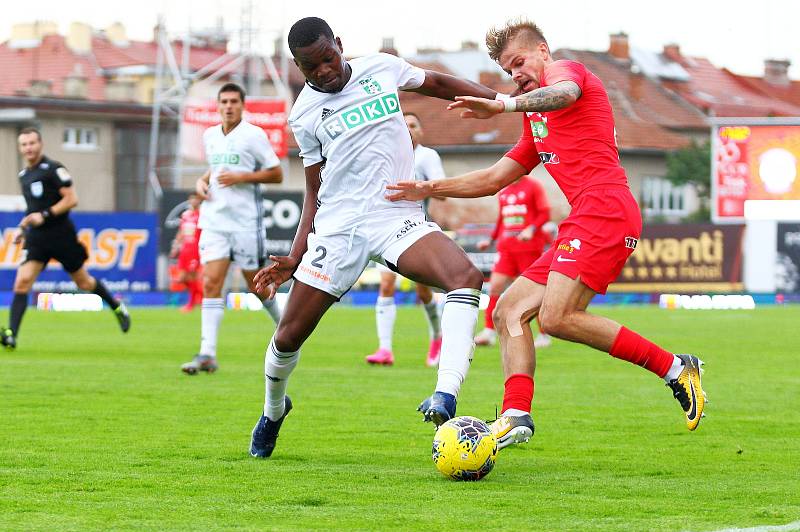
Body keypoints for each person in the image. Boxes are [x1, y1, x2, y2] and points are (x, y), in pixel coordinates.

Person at [387, 18, 707, 448]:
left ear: (542, 50)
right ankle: (516, 412)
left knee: (555, 318)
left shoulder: (567, 73)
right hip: (585, 216)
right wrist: (429, 188)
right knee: (508, 311)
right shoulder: (536, 118)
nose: (516, 74)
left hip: (606, 211)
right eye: (508, 71)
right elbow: (497, 176)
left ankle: (676, 368)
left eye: (519, 62)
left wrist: (501, 104)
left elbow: (566, 94)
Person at [249, 16, 502, 458]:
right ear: (298, 67)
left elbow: (438, 82)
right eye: (311, 68)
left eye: (328, 59)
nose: (324, 71)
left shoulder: (381, 68)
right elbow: (314, 188)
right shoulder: (305, 114)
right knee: (288, 337)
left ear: (339, 45)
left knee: (465, 275)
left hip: (395, 215)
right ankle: (274, 411)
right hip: (340, 228)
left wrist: (503, 103)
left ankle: (445, 394)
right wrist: (295, 254)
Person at [181, 83, 284, 375]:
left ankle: (286, 327)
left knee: (257, 285)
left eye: (233, 101)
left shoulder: (254, 135)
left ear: (242, 105)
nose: (228, 106)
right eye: (223, 101)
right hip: (214, 221)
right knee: (211, 282)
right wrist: (202, 182)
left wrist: (242, 177)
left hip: (245, 222)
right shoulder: (210, 135)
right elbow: (215, 168)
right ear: (218, 105)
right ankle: (207, 354)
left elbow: (277, 173)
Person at [1, 127, 131, 349]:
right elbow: (33, 208)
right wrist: (24, 227)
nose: (28, 148)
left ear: (40, 144)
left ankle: (117, 306)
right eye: (24, 144)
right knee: (22, 281)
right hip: (38, 238)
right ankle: (12, 334)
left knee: (84, 282)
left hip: (61, 235)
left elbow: (71, 199)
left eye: (32, 143)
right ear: (20, 148)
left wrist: (45, 215)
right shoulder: (24, 176)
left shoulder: (54, 169)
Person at [365, 112, 445, 367]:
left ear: (421, 131)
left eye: (413, 124)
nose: (408, 129)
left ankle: (437, 337)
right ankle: (384, 349)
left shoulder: (427, 156)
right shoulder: (385, 155)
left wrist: (423, 187)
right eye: (404, 124)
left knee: (423, 291)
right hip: (385, 230)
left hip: (415, 230)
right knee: (386, 285)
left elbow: (442, 191)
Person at [473, 175, 552, 349]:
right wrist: (490, 240)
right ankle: (489, 331)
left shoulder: (533, 186)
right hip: (506, 249)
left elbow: (545, 213)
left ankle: (544, 335)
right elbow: (502, 219)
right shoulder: (504, 190)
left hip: (528, 248)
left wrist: (531, 229)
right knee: (495, 286)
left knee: (534, 293)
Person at [170, 192, 203, 312]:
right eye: (191, 199)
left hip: (196, 250)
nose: (193, 201)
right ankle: (202, 296)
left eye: (196, 199)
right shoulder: (186, 215)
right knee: (182, 278)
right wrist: (175, 246)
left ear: (199, 201)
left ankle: (191, 304)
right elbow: (181, 232)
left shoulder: (202, 215)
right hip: (185, 250)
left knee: (192, 277)